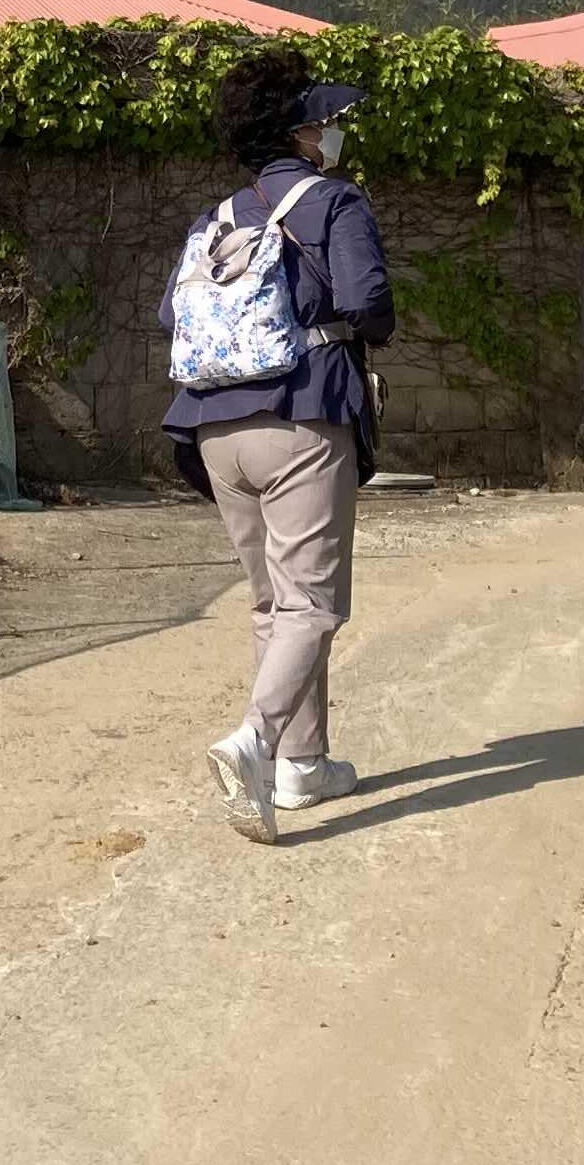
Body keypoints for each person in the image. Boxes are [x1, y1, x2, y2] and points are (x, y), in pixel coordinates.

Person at [162, 54, 395, 841]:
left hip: (214, 428)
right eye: (325, 121)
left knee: (275, 602)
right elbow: (368, 301)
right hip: (301, 415)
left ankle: (303, 765)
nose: (333, 132)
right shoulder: (334, 200)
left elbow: (171, 316)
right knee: (314, 602)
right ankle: (255, 743)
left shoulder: (217, 218)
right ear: (298, 132)